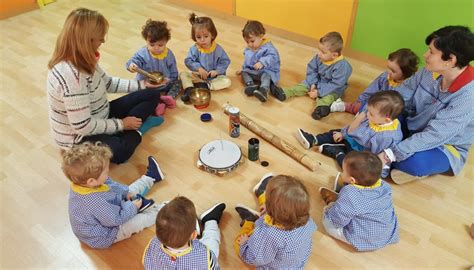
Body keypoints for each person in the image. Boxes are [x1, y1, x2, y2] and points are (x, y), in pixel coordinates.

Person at [47, 8, 164, 164]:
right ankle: (136, 131)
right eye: (100, 38)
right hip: (81, 137)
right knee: (122, 152)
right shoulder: (71, 77)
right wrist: (122, 124)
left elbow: (108, 83)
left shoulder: (84, 58)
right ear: (87, 40)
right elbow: (83, 126)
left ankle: (127, 129)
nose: (103, 41)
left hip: (100, 114)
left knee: (152, 93)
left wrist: (143, 84)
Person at [377, 26, 474, 184]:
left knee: (411, 162)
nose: (425, 55)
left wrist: (388, 154)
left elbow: (435, 135)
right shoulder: (430, 70)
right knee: (379, 107)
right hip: (413, 125)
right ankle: (396, 148)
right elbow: (402, 95)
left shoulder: (468, 96)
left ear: (451, 60)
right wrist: (381, 109)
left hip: (443, 145)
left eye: (431, 52)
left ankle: (403, 157)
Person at [62, 142, 165, 249]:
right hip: (105, 234)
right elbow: (116, 219)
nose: (108, 173)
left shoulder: (84, 183)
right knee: (139, 221)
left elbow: (111, 185)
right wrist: (132, 207)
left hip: (108, 213)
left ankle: (151, 177)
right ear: (91, 181)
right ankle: (163, 211)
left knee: (130, 190)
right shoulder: (94, 203)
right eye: (106, 172)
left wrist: (126, 193)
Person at [297, 90, 404, 178]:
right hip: (354, 139)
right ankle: (313, 140)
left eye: (370, 113)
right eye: (368, 110)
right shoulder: (373, 117)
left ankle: (337, 153)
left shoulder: (386, 137)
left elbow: (374, 160)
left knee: (352, 166)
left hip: (364, 155)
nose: (367, 114)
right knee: (335, 132)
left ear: (386, 120)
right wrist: (343, 133)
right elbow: (352, 129)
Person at [319, 151, 399, 251]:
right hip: (387, 232)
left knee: (327, 222)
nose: (342, 173)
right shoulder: (384, 185)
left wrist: (328, 210)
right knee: (351, 206)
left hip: (364, 239)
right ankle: (341, 202)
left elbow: (337, 220)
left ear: (352, 180)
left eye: (343, 171)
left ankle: (335, 202)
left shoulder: (350, 193)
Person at [234, 174, 317, 269]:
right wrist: (269, 209)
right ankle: (260, 193)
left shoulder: (270, 234)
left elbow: (254, 257)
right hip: (294, 264)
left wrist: (244, 243)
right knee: (275, 206)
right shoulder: (303, 216)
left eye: (267, 197)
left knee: (238, 243)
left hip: (272, 263)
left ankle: (249, 221)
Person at [281, 31, 353, 119]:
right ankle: (286, 92)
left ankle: (321, 109)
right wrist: (313, 83)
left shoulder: (343, 67)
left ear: (334, 55)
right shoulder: (319, 57)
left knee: (328, 97)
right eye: (319, 50)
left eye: (323, 52)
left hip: (332, 89)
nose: (319, 54)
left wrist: (319, 92)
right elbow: (312, 69)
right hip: (317, 81)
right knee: (304, 84)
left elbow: (336, 84)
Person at [142, 196, 225, 270]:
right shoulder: (204, 255)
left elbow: (147, 263)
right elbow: (214, 267)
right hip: (201, 253)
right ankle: (210, 220)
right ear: (193, 235)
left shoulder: (153, 244)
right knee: (212, 241)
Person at [331, 48, 419, 114]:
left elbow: (400, 110)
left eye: (393, 71)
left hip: (390, 114)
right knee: (363, 107)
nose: (388, 71)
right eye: (388, 68)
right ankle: (347, 106)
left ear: (406, 73)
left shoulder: (407, 89)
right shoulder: (386, 76)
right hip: (376, 104)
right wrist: (360, 101)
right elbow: (372, 88)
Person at [180, 13, 231, 103]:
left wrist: (217, 71)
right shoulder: (195, 49)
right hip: (198, 75)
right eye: (198, 37)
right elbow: (188, 61)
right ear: (194, 37)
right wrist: (198, 68)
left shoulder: (217, 49)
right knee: (182, 74)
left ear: (213, 35)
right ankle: (189, 90)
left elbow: (225, 61)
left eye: (206, 36)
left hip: (214, 78)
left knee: (227, 81)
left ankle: (206, 86)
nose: (202, 40)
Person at [126, 19, 181, 99]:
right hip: (146, 84)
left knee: (178, 84)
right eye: (152, 45)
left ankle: (167, 98)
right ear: (146, 41)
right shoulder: (143, 53)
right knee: (134, 89)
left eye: (160, 45)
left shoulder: (169, 54)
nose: (156, 48)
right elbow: (135, 61)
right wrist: (132, 65)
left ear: (166, 42)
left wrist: (171, 80)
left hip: (163, 83)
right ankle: (156, 100)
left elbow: (173, 71)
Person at [238, 20, 285, 102]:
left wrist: (262, 62)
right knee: (244, 72)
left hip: (266, 71)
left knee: (266, 76)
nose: (249, 44)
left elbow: (273, 57)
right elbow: (247, 60)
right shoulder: (249, 48)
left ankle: (264, 89)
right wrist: (243, 68)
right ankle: (251, 85)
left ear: (261, 36)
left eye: (252, 41)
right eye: (247, 42)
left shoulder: (268, 47)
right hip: (254, 71)